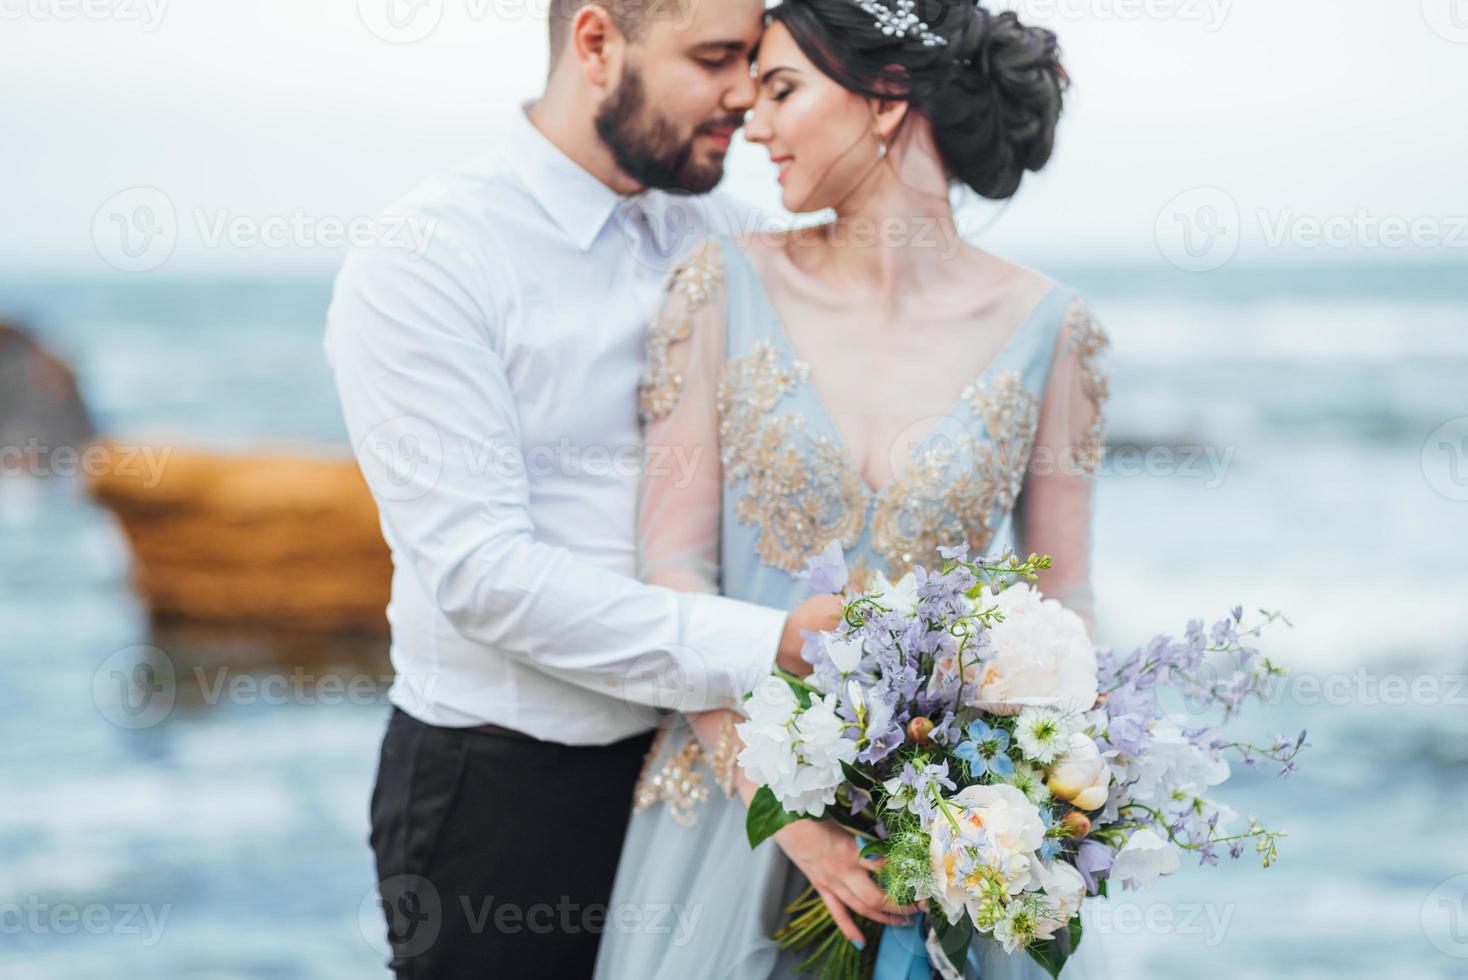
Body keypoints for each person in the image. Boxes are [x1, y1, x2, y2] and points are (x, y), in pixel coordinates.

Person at [323, 1, 846, 976]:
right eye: (715, 57)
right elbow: (481, 573)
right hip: (507, 795)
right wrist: (765, 642)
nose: (746, 93)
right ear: (596, 43)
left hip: (724, 777)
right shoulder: (427, 256)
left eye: (756, 58)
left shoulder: (736, 236)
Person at [595, 1, 1115, 977]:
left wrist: (1055, 800)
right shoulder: (718, 286)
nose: (754, 125)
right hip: (729, 819)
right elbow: (670, 570)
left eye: (782, 90)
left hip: (955, 847)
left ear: (882, 100)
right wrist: (789, 818)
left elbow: (1063, 603)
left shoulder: (1056, 328)